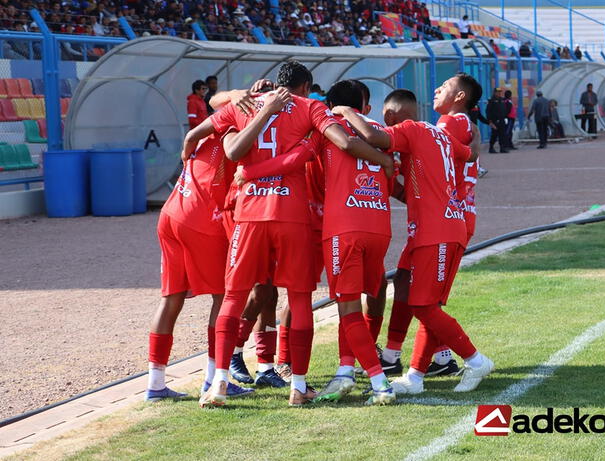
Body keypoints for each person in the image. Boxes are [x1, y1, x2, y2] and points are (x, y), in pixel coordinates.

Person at [199, 61, 393, 408]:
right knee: (300, 298)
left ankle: (219, 384)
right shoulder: (310, 108)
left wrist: (203, 139)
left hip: (249, 213)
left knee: (235, 296)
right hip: (292, 215)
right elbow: (343, 141)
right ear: (305, 87)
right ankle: (298, 386)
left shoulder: (247, 103)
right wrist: (383, 159)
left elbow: (220, 134)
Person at [335, 89, 494, 394]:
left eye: (386, 118)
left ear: (392, 117)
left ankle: (474, 360)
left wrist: (344, 111)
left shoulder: (410, 130)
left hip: (437, 231)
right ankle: (416, 377)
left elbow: (371, 136)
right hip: (442, 227)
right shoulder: (440, 135)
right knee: (422, 301)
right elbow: (470, 154)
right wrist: (475, 135)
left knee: (423, 306)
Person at [146, 91, 291, 402]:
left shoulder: (216, 121)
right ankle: (214, 379)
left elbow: (213, 102)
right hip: (201, 218)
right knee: (224, 298)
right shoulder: (238, 129)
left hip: (172, 212)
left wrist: (239, 95)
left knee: (170, 298)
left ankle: (155, 384)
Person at [309, 80, 395, 405]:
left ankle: (379, 384)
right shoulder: (378, 130)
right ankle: (345, 371)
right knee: (361, 302)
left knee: (347, 307)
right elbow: (391, 177)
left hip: (344, 226)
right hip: (379, 225)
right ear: (366, 106)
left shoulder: (327, 127)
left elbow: (316, 176)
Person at [486, 87, 509, 153]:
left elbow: (504, 109)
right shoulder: (491, 100)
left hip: (502, 120)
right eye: (498, 92)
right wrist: (490, 120)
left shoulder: (502, 100)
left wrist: (505, 117)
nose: (499, 93)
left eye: (500, 92)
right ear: (495, 92)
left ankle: (502, 148)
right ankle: (491, 147)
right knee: (494, 134)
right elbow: (488, 111)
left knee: (502, 134)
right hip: (495, 121)